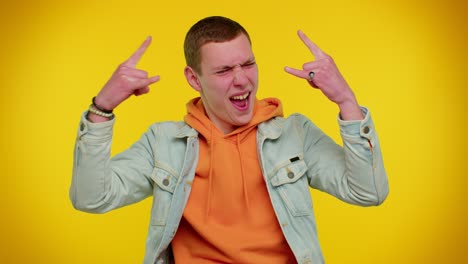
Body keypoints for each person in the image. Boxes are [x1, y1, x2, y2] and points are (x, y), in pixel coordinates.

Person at [70, 16, 389, 264]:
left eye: (248, 64)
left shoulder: (295, 135)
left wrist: (346, 101)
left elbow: (369, 192)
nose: (241, 79)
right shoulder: (163, 142)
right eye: (223, 70)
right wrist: (102, 108)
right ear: (194, 79)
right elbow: (91, 198)